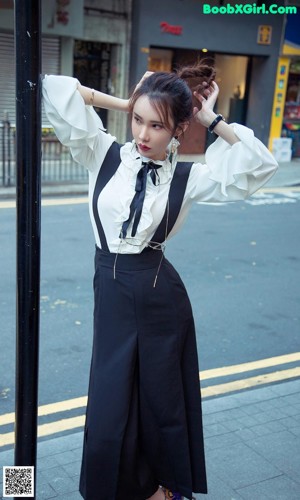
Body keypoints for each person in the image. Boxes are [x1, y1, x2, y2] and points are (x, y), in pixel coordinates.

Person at [42, 62, 278, 500]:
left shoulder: (188, 179)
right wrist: (127, 101)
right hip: (111, 292)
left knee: (159, 401)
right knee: (112, 403)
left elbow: (258, 164)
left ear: (177, 131)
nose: (144, 134)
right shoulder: (103, 152)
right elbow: (57, 89)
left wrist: (211, 120)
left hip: (158, 299)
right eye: (138, 120)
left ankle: (163, 487)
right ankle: (113, 488)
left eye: (157, 125)